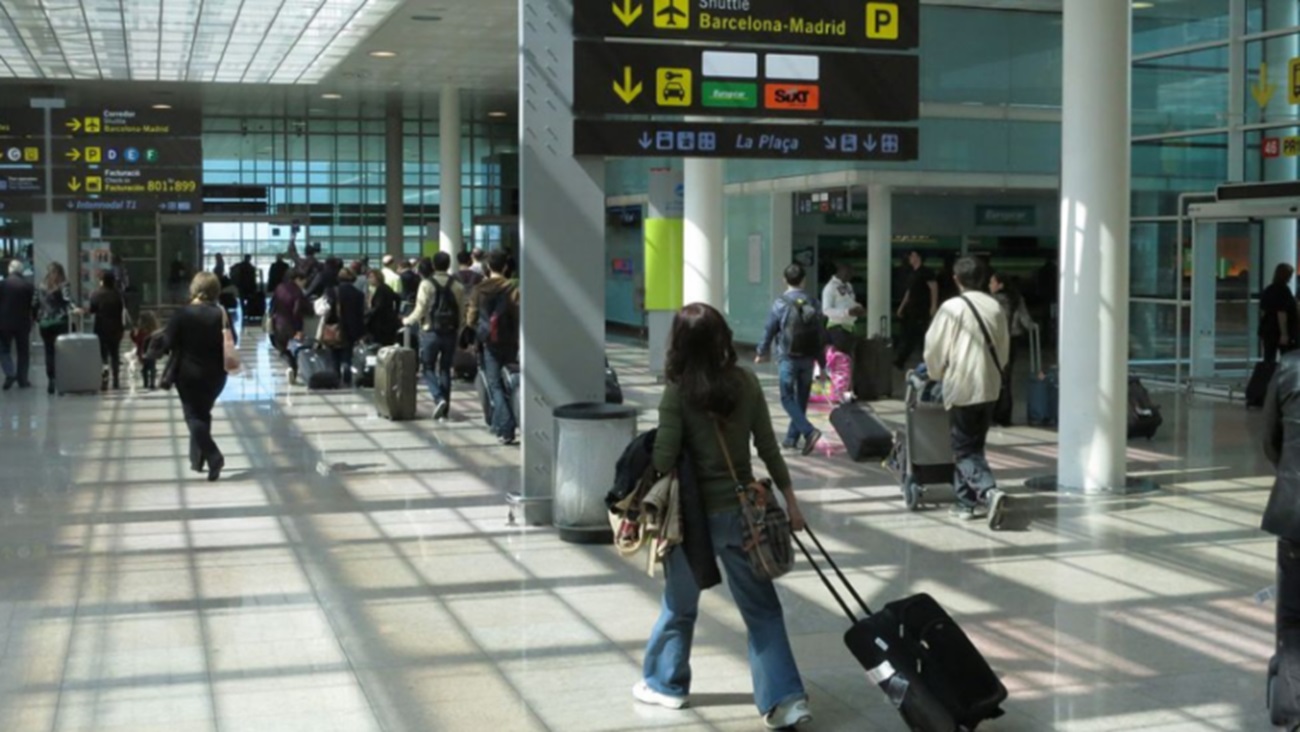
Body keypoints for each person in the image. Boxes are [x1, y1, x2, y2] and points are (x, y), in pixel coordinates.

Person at [638, 302, 812, 730]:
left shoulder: (677, 392)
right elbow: (768, 448)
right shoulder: (746, 383)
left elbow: (662, 459)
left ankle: (667, 685)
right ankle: (786, 700)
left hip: (690, 521)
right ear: (723, 338)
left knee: (680, 605)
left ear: (678, 342)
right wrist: (791, 500)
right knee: (762, 610)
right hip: (742, 514)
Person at [922, 256, 1012, 528]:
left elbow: (934, 347)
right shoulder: (994, 307)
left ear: (955, 279)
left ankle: (988, 491)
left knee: (962, 449)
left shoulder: (951, 308)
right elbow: (1004, 349)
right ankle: (964, 503)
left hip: (962, 385)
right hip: (989, 385)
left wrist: (935, 373)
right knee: (974, 446)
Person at [151, 272, 232, 481]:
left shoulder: (182, 314)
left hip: (189, 375)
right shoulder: (221, 313)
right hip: (217, 375)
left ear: (194, 288)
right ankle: (197, 461)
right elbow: (233, 340)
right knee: (203, 413)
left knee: (193, 417)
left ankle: (214, 456)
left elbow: (167, 343)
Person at [756, 263, 825, 456]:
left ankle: (809, 431)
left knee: (787, 397)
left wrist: (761, 351)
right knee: (801, 398)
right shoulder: (814, 302)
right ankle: (791, 439)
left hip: (788, 356)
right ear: (804, 280)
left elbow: (770, 328)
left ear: (784, 280)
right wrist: (823, 363)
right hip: (809, 357)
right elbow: (820, 334)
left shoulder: (780, 303)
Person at [466, 250, 519, 444]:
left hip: (489, 340)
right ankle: (500, 423)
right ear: (505, 266)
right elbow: (518, 315)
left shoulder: (479, 289)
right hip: (510, 340)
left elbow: (471, 318)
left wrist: (479, 329)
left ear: (488, 267)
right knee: (510, 381)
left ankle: (506, 427)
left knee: (495, 383)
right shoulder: (512, 288)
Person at [404, 253, 466, 420]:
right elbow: (462, 312)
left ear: (433, 265)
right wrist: (459, 328)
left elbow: (421, 308)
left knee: (427, 367)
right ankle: (444, 410)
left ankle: (438, 398)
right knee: (445, 369)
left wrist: (407, 321)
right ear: (449, 264)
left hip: (430, 331)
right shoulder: (457, 285)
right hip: (450, 332)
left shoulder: (426, 284)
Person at [989, 271, 1037, 427]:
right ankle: (1005, 416)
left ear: (1000, 285)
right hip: (1012, 340)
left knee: (993, 378)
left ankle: (992, 415)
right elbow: (1026, 320)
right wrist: (1034, 328)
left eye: (992, 282)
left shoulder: (991, 301)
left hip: (996, 343)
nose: (990, 285)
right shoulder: (1016, 298)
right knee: (1006, 378)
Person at [35, 262, 77, 394]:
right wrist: (76, 308)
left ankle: (51, 379)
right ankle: (61, 381)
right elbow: (67, 300)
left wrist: (37, 318)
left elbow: (35, 303)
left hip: (45, 323)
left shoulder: (41, 286)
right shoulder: (63, 285)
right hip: (60, 321)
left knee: (49, 352)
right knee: (61, 352)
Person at [895, 250, 938, 371]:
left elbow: (933, 288)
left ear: (919, 257)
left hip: (922, 308)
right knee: (911, 334)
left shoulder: (926, 272)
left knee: (917, 334)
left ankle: (903, 360)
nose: (910, 258)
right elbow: (909, 292)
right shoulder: (912, 273)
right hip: (911, 309)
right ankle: (902, 359)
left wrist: (933, 306)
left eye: (913, 256)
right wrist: (902, 307)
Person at [0, 260, 37, 390]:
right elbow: (34, 305)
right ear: (21, 271)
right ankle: (23, 380)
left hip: (4, 323)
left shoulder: (2, 284)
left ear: (10, 269)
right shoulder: (28, 286)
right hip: (23, 323)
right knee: (23, 352)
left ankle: (10, 373)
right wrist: (34, 318)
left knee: (4, 350)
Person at [327, 267, 366, 386]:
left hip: (334, 327)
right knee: (347, 353)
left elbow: (326, 309)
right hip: (351, 328)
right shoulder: (359, 294)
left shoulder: (331, 291)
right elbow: (360, 314)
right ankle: (347, 376)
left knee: (334, 353)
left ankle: (335, 377)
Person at [89, 271, 126, 390]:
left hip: (101, 328)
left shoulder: (96, 294)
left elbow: (92, 309)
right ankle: (116, 379)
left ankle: (104, 377)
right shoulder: (117, 294)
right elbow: (121, 310)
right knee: (115, 354)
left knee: (103, 355)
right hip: (116, 328)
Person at [271, 271, 309, 374]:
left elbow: (273, 305)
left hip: (278, 322)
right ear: (298, 279)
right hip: (291, 324)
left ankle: (290, 367)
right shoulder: (298, 292)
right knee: (295, 346)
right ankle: (293, 367)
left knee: (282, 348)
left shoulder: (280, 287)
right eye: (304, 281)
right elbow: (297, 312)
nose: (304, 284)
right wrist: (299, 329)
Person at [821, 262, 863, 355]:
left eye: (851, 274)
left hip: (849, 327)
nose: (850, 276)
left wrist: (858, 307)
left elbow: (849, 302)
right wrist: (847, 312)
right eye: (848, 273)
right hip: (837, 328)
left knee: (849, 358)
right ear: (840, 272)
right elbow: (826, 310)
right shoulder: (830, 288)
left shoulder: (848, 285)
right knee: (841, 359)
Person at [1262, 263, 1299, 364]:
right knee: (1288, 358)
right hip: (1280, 330)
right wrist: (1284, 333)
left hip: (1268, 329)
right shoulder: (1284, 291)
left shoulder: (1269, 290)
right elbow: (1281, 313)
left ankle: (1267, 377)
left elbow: (1264, 310)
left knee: (1269, 358)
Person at [364, 270, 401, 347]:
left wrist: (367, 314)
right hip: (388, 322)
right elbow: (397, 298)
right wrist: (396, 312)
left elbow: (378, 306)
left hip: (381, 324)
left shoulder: (381, 289)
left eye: (371, 277)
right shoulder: (386, 288)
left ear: (377, 278)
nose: (369, 280)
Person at [131, 311, 164, 390]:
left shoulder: (141, 332)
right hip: (152, 352)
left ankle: (145, 383)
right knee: (152, 367)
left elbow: (137, 341)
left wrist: (132, 335)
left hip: (143, 353)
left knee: (145, 369)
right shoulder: (155, 331)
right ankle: (152, 383)